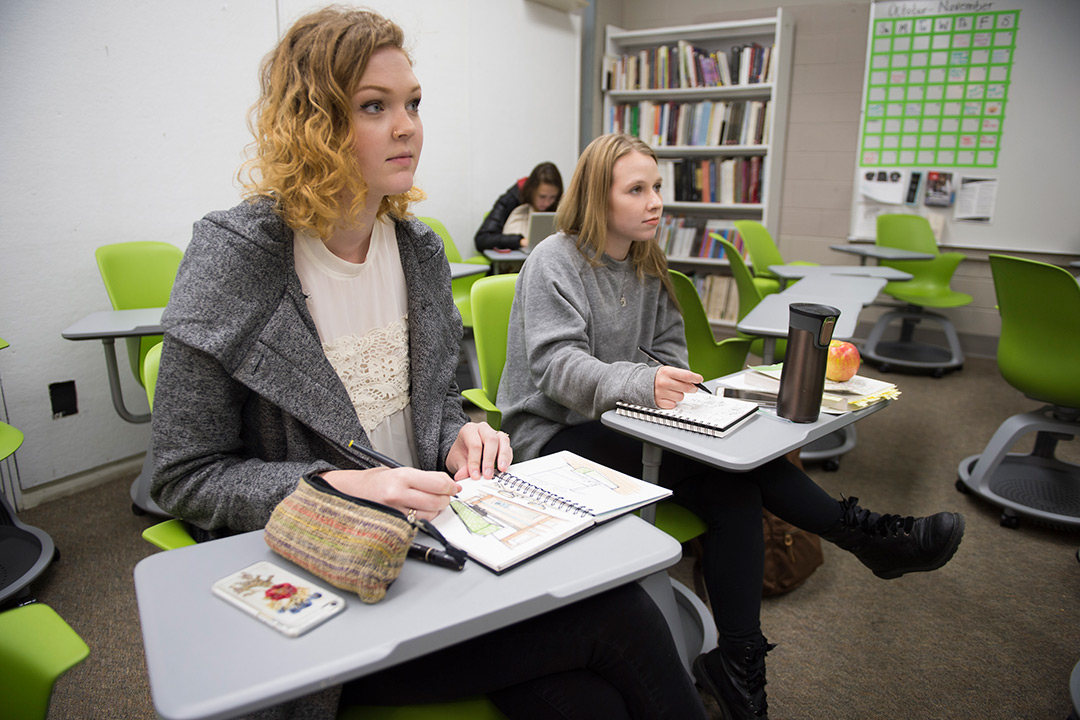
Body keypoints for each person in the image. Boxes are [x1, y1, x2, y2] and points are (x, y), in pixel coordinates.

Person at [150, 10, 706, 720]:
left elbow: (437, 403)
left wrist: (459, 435)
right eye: (374, 107)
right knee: (618, 619)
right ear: (310, 123)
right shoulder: (236, 260)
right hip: (334, 590)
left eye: (413, 103)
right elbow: (183, 476)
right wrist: (337, 486)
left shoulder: (418, 252)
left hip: (437, 557)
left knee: (589, 700)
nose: (408, 125)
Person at [496, 133, 967, 720]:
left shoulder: (647, 263)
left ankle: (739, 662)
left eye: (657, 187)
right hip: (553, 436)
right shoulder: (554, 260)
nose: (655, 202)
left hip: (634, 422)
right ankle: (863, 534)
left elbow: (665, 347)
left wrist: (669, 381)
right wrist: (645, 385)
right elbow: (557, 367)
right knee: (729, 479)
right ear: (597, 197)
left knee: (736, 486)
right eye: (636, 189)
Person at [474, 161, 563, 251]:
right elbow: (482, 239)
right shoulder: (512, 199)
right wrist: (519, 241)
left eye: (553, 197)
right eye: (542, 197)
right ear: (532, 191)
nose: (547, 203)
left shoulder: (560, 204)